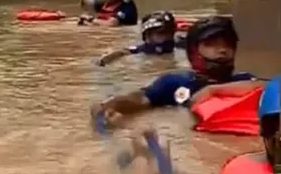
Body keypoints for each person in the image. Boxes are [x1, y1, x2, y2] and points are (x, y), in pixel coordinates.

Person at [91, 15, 263, 124]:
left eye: (228, 44)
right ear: (194, 51)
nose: (222, 50)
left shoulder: (245, 81)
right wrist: (110, 106)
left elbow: (271, 88)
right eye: (211, 44)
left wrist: (213, 90)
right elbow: (140, 100)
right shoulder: (176, 83)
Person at [96, 11, 187, 66]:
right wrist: (106, 58)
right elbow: (124, 52)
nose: (166, 37)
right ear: (147, 36)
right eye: (161, 33)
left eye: (169, 32)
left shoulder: (181, 43)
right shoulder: (145, 48)